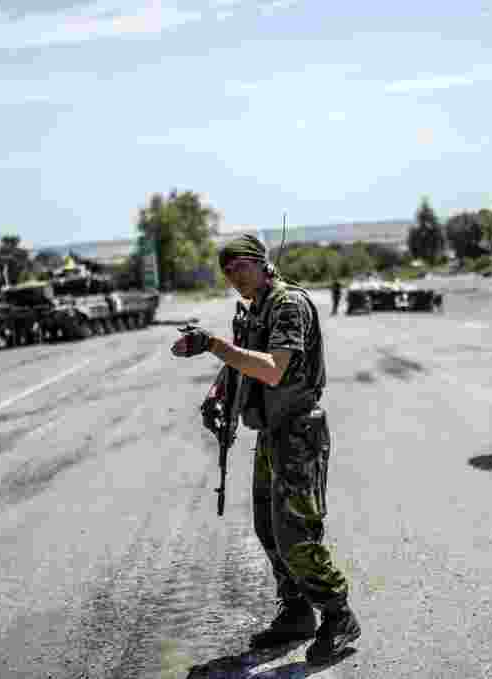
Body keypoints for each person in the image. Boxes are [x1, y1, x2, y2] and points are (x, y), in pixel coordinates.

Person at [170, 234, 360, 663]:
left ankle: (338, 614)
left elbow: (273, 370)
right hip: (271, 434)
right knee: (266, 526)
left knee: (295, 532)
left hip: (298, 433)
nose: (233, 276)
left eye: (239, 266)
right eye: (226, 271)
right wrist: (219, 393)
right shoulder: (256, 308)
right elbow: (244, 363)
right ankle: (295, 612)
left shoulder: (288, 305)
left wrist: (213, 344)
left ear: (260, 261)